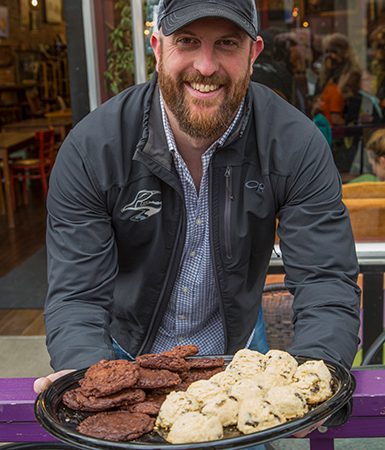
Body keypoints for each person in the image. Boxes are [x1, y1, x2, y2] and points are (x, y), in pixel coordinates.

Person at [34, 0, 360, 442]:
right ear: (157, 47)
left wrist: (318, 376)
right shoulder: (94, 148)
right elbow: (76, 292)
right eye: (187, 42)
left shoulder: (295, 144)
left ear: (253, 52)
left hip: (240, 357)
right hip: (123, 354)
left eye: (226, 44)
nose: (206, 66)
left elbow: (325, 277)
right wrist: (84, 373)